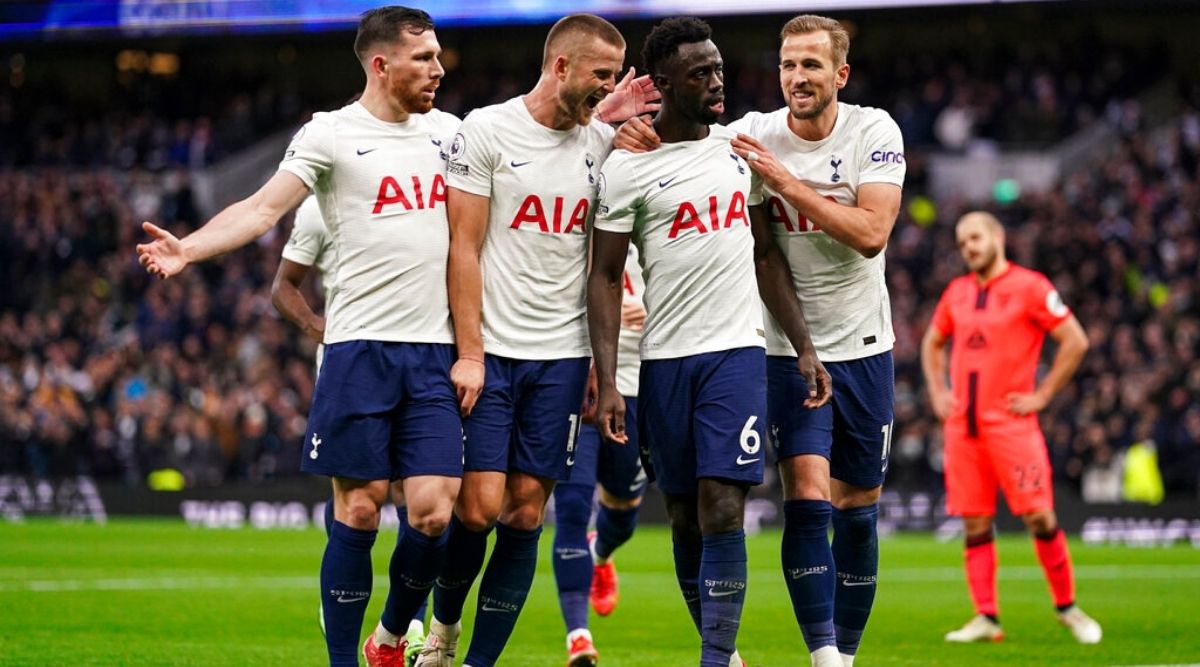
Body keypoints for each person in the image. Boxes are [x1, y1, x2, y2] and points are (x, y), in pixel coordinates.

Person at [138, 8, 464, 666]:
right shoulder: (332, 135)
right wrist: (191, 249)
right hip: (357, 351)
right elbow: (261, 207)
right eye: (423, 58)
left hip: (436, 353)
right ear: (381, 65)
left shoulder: (453, 136)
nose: (438, 68)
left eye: (437, 56)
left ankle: (391, 633)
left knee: (432, 515)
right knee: (362, 509)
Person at [616, 14, 904, 667]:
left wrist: (786, 180)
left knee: (857, 508)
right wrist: (628, 127)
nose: (797, 78)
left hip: (865, 343)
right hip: (779, 350)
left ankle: (846, 653)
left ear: (841, 74)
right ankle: (824, 652)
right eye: (788, 65)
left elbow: (870, 232)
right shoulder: (747, 133)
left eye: (811, 65)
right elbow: (684, 134)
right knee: (806, 497)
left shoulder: (874, 130)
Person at [417, 14, 658, 667]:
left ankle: (475, 661)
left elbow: (596, 255)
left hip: (562, 357)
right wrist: (467, 352)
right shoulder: (487, 131)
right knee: (479, 506)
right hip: (493, 351)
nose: (609, 89)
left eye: (615, 76)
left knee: (526, 513)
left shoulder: (600, 143)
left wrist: (595, 360)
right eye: (600, 75)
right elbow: (461, 248)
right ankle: (441, 624)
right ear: (561, 67)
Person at [589, 17, 830, 667]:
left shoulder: (736, 148)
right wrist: (609, 379)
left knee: (723, 505)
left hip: (735, 354)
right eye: (700, 74)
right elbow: (605, 275)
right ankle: (719, 647)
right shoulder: (628, 170)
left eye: (719, 68)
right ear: (663, 84)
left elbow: (763, 253)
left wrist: (803, 344)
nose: (717, 81)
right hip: (663, 362)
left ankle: (715, 660)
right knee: (685, 514)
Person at [921, 211, 1101, 645]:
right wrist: (938, 393)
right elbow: (932, 342)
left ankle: (1067, 607)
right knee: (975, 523)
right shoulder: (958, 292)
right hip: (963, 430)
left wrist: (1041, 396)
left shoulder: (1031, 286)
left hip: (1011, 426)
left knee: (1040, 516)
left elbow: (1076, 340)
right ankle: (986, 616)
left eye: (976, 238)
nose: (969, 248)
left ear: (998, 238)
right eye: (962, 242)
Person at [270, 194, 429, 664]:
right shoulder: (321, 207)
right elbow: (284, 287)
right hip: (350, 365)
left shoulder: (425, 189)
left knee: (414, 495)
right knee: (356, 500)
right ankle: (343, 597)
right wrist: (319, 327)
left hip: (420, 358)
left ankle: (410, 624)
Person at [551, 244, 648, 666]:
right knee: (571, 509)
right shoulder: (572, 229)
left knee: (624, 511)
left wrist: (649, 309)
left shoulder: (653, 218)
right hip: (578, 387)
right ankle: (578, 635)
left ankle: (601, 554)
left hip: (639, 384)